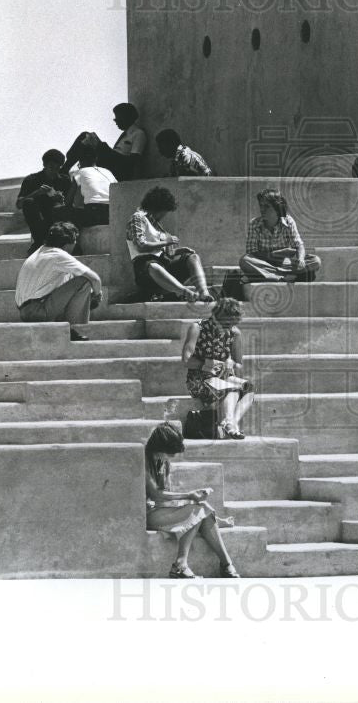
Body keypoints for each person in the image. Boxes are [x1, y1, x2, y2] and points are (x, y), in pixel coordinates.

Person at [145, 423, 240, 579]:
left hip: (161, 509)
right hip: (147, 513)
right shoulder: (143, 459)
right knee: (198, 510)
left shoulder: (163, 462)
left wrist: (192, 499)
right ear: (160, 448)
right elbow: (156, 494)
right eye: (168, 454)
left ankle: (226, 564)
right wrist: (189, 496)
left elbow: (167, 494)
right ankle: (180, 564)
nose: (170, 458)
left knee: (202, 510)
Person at [15, 221, 103, 341]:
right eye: (75, 242)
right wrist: (97, 296)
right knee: (84, 281)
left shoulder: (40, 252)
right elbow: (94, 278)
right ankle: (70, 329)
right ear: (67, 244)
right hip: (39, 310)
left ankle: (65, 326)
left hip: (25, 312)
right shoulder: (59, 255)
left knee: (70, 277)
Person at [126, 186, 214, 303]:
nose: (164, 215)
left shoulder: (156, 224)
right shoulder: (138, 218)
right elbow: (140, 246)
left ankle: (204, 293)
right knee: (152, 265)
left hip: (164, 265)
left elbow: (163, 252)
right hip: (145, 270)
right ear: (157, 208)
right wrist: (166, 242)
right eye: (164, 212)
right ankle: (184, 292)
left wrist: (178, 251)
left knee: (193, 257)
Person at [182, 297, 253, 440]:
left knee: (248, 388)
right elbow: (186, 360)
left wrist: (231, 362)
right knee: (231, 388)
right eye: (226, 323)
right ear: (215, 316)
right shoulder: (197, 328)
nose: (228, 327)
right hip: (199, 379)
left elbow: (239, 363)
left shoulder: (234, 332)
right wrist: (209, 364)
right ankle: (228, 424)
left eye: (232, 323)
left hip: (223, 377)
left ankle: (232, 422)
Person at [239, 189, 322, 282]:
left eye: (267, 206)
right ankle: (284, 277)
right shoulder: (254, 224)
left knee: (315, 261)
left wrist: (301, 259)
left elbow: (299, 245)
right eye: (261, 206)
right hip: (263, 263)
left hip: (285, 264)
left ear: (277, 208)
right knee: (245, 260)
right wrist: (276, 254)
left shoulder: (288, 221)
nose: (262, 209)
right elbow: (252, 253)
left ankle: (270, 276)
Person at [62, 103, 147, 181]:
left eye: (118, 117)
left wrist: (106, 149)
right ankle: (67, 168)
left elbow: (133, 162)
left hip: (119, 168)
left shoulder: (138, 134)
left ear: (126, 117)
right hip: (111, 162)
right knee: (86, 139)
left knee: (86, 136)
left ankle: (65, 169)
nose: (115, 121)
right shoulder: (124, 135)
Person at [16, 149, 70, 254]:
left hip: (57, 220)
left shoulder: (65, 180)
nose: (54, 171)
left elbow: (71, 203)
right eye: (51, 167)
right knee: (28, 202)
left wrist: (61, 200)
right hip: (39, 221)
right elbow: (19, 204)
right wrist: (37, 193)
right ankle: (39, 242)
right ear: (44, 164)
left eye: (57, 168)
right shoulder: (32, 179)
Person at [54, 144, 117, 229]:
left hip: (94, 214)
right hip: (112, 213)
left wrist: (59, 201)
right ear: (96, 158)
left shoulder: (80, 172)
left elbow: (68, 201)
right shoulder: (108, 172)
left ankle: (67, 238)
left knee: (57, 210)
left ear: (79, 161)